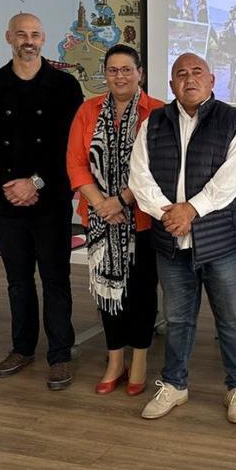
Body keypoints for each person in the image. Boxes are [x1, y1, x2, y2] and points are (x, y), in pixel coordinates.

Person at [129, 52, 236, 424]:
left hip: (221, 242)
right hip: (171, 240)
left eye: (197, 72)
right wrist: (168, 213)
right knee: (178, 318)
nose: (189, 78)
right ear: (171, 85)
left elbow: (233, 179)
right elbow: (140, 176)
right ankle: (174, 384)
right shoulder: (154, 122)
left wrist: (192, 210)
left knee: (230, 318)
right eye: (181, 74)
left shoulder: (234, 121)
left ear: (212, 80)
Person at [0, 13, 82, 390]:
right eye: (21, 34)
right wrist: (11, 184)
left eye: (34, 34)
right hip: (4, 199)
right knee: (17, 280)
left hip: (51, 199)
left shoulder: (65, 86)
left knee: (55, 278)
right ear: (8, 38)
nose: (27, 40)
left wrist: (34, 182)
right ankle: (22, 347)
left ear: (44, 39)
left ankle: (61, 354)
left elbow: (70, 145)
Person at [65, 44, 164, 396]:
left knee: (140, 293)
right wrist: (102, 204)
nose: (119, 76)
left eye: (126, 69)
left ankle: (139, 359)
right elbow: (76, 163)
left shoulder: (158, 112)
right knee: (108, 294)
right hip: (100, 222)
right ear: (105, 74)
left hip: (144, 221)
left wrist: (121, 199)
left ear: (140, 73)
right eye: (112, 70)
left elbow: (159, 170)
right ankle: (114, 360)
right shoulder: (88, 110)